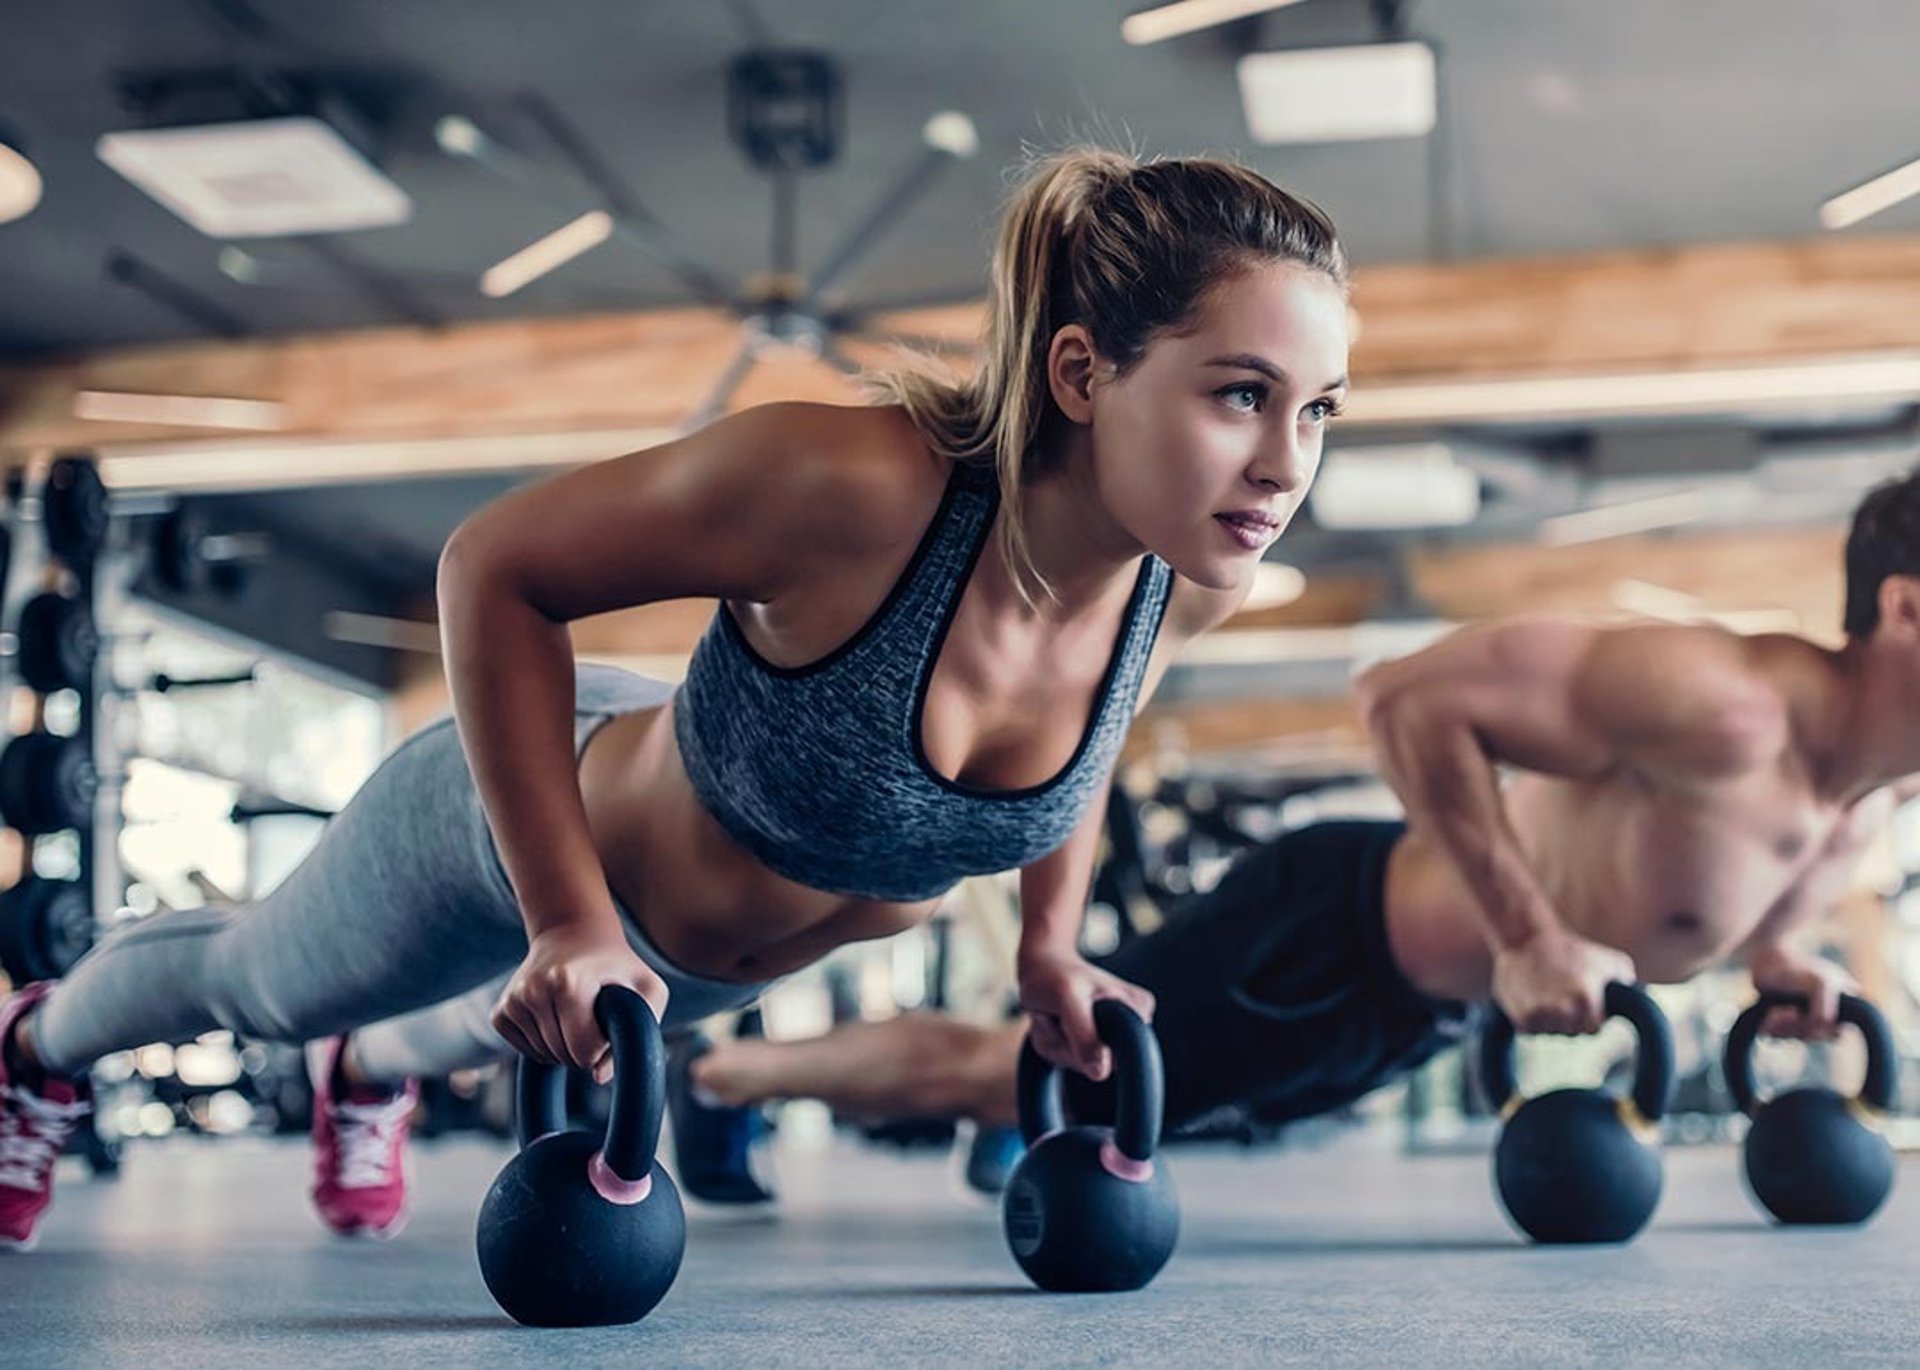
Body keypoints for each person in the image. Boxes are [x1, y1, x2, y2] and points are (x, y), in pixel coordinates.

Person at [0, 145, 1355, 1248]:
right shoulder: (858, 488)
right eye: (1244, 394)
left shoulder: (1187, 583)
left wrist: (1048, 945)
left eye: (1319, 412)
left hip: (676, 966)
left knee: (469, 1021)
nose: (1285, 462)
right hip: (531, 831)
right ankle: (39, 1042)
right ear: (1080, 374)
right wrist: (567, 913)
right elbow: (496, 567)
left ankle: (373, 1075)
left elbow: (1082, 748)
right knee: (266, 988)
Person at [666, 467, 1920, 1185]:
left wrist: (1780, 964)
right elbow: (1406, 696)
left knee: (1048, 1092)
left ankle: (1014, 1125)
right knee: (1006, 1070)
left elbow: (1738, 896)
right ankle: (726, 1073)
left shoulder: (1871, 793)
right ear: (1904, 608)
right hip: (1321, 930)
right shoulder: (1723, 702)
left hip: (1406, 1012)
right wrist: (1528, 931)